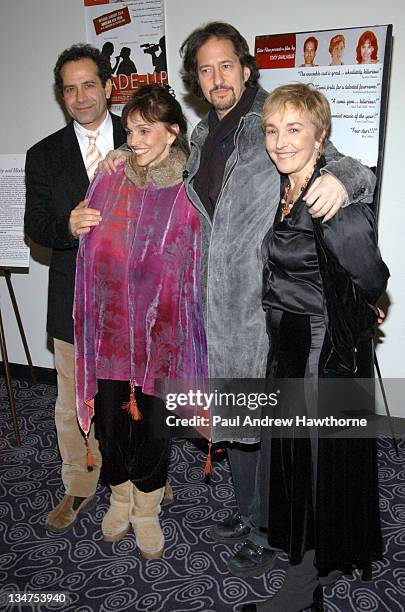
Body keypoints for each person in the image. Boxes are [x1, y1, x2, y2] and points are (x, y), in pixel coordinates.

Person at [100, 21, 377, 578]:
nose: (217, 77)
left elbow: (346, 163)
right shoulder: (201, 136)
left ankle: (269, 527)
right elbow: (161, 176)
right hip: (209, 308)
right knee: (231, 420)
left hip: (263, 307)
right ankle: (249, 512)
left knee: (267, 429)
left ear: (247, 69)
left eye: (226, 65)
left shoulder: (270, 118)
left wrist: (347, 180)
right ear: (196, 81)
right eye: (205, 69)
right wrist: (118, 162)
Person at [240, 83, 389, 611]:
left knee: (311, 462)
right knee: (297, 461)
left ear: (320, 134)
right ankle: (316, 553)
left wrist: (359, 307)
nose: (280, 142)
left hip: (316, 353)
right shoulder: (283, 186)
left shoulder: (330, 197)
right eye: (272, 130)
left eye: (294, 129)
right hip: (288, 343)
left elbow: (373, 274)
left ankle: (305, 583)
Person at [73, 84, 207, 558]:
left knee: (153, 426)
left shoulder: (189, 188)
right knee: (111, 423)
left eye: (145, 130)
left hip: (162, 335)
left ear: (172, 133)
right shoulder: (111, 177)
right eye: (129, 130)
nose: (135, 139)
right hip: (111, 332)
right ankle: (120, 494)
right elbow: (87, 239)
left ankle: (147, 507)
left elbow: (199, 261)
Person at [24, 43, 126, 532]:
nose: (81, 96)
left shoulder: (144, 134)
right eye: (70, 88)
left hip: (137, 300)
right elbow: (36, 226)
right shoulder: (43, 155)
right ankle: (80, 485)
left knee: (136, 396)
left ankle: (143, 477)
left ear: (108, 86)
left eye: (90, 84)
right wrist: (66, 225)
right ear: (61, 96)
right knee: (72, 402)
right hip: (72, 300)